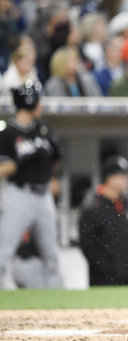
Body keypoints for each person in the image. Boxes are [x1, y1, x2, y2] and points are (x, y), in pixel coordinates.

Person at [0, 81, 64, 290]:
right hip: (20, 195)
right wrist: (17, 163)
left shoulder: (43, 129)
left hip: (43, 196)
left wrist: (51, 178)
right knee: (4, 251)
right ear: (30, 101)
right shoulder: (7, 133)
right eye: (38, 100)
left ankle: (58, 303)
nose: (41, 104)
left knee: (51, 254)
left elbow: (56, 158)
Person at [79, 155, 128, 286]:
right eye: (122, 175)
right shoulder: (93, 207)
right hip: (105, 282)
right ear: (110, 177)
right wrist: (108, 270)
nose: (127, 179)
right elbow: (88, 245)